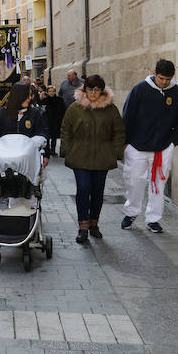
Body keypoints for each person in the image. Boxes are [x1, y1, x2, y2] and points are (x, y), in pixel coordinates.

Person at [120, 59, 178, 234]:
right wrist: (126, 143)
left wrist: (174, 142)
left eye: (168, 79)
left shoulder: (177, 92)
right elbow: (127, 117)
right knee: (135, 181)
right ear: (155, 73)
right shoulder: (140, 89)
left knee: (158, 184)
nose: (164, 82)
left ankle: (153, 219)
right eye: (162, 78)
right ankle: (131, 213)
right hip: (137, 146)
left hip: (163, 147)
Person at [59, 75, 125, 243]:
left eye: (97, 89)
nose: (93, 93)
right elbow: (66, 129)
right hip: (80, 156)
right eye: (90, 89)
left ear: (102, 90)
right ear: (84, 89)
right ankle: (83, 226)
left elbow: (119, 132)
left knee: (97, 192)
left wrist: (115, 153)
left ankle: (94, 223)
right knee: (83, 189)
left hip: (102, 157)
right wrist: (66, 149)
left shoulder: (111, 110)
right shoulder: (75, 108)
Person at [41, 85, 65, 156]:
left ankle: (53, 150)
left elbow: (63, 110)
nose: (51, 93)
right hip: (47, 121)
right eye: (50, 91)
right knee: (47, 137)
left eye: (53, 91)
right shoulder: (44, 101)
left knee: (54, 137)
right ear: (47, 92)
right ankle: (47, 150)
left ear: (55, 92)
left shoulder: (59, 100)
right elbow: (42, 111)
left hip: (56, 121)